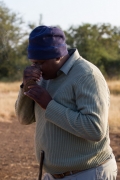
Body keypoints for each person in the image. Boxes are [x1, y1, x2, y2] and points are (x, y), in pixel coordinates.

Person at [15, 25, 117, 180]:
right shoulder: (43, 77)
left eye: (40, 63)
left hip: (88, 173)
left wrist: (49, 105)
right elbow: (24, 118)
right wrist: (26, 86)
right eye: (33, 63)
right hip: (53, 175)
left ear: (58, 56)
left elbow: (95, 129)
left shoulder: (87, 75)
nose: (36, 69)